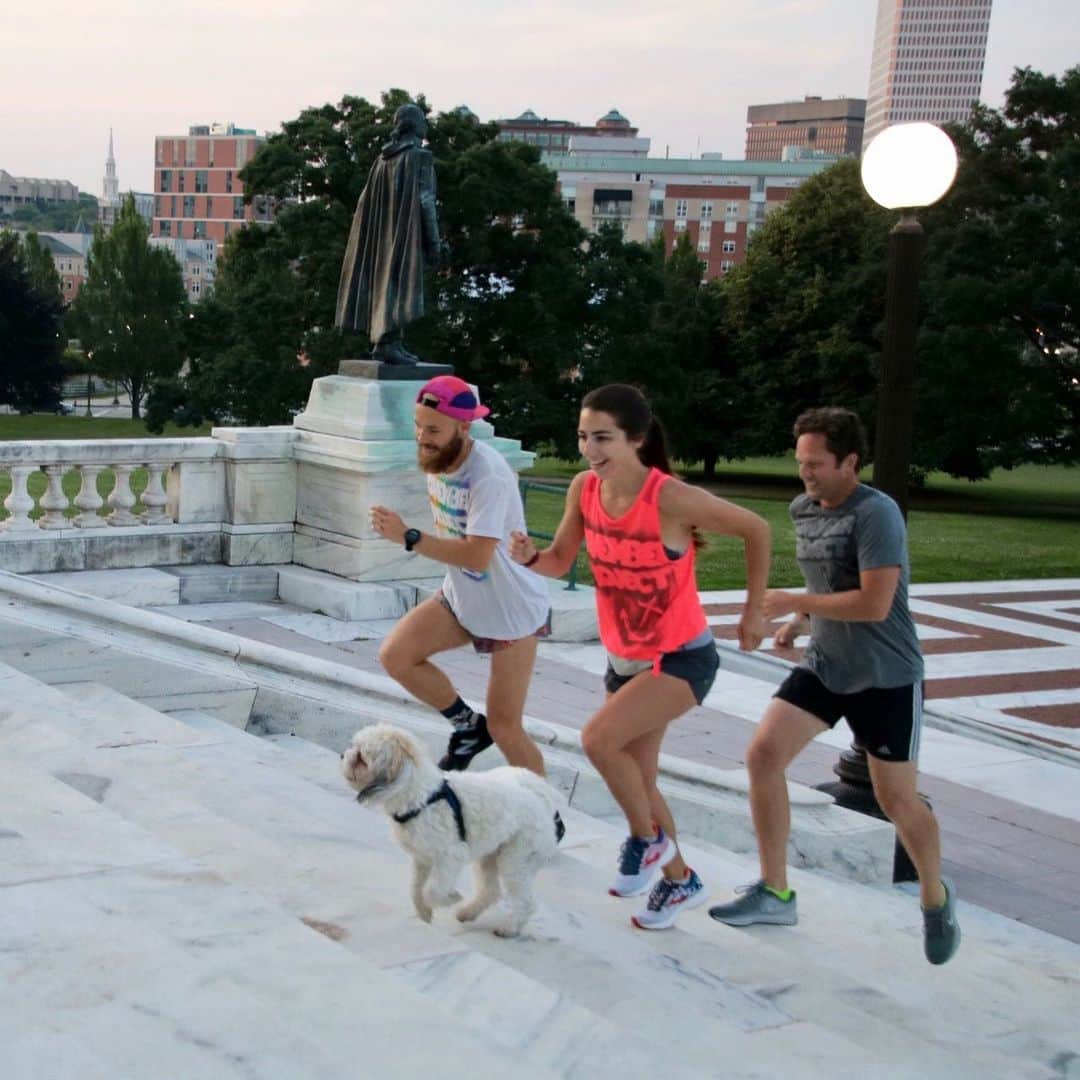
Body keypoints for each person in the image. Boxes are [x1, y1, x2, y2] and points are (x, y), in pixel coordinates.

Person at [510, 384, 771, 930]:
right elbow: (560, 560)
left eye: (603, 438)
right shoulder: (584, 490)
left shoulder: (668, 497)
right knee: (641, 782)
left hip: (681, 658)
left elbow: (757, 528)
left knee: (598, 740)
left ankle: (645, 840)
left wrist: (753, 612)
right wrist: (531, 558)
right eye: (583, 437)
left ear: (636, 439)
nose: (590, 450)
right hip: (624, 659)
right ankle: (680, 880)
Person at [707, 406, 960, 966]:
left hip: (886, 677)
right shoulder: (804, 509)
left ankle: (935, 897)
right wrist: (802, 622)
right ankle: (775, 891)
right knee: (763, 754)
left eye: (817, 464)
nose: (806, 475)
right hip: (828, 665)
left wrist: (793, 602)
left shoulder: (879, 515)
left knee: (896, 800)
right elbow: (827, 580)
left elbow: (874, 602)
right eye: (801, 463)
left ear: (850, 461)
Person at [371, 374, 555, 790]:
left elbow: (477, 553)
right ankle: (470, 728)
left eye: (433, 429)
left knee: (507, 726)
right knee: (397, 656)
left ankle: (546, 813)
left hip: (511, 611)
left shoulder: (486, 474)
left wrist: (409, 537)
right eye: (418, 426)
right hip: (463, 597)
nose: (423, 437)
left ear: (464, 428)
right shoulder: (438, 457)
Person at [335, 102, 443, 366]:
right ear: (415, 125)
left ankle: (389, 342)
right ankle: (386, 343)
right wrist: (434, 243)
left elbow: (365, 202)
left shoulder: (383, 160)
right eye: (423, 121)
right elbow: (426, 201)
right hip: (405, 234)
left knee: (388, 281)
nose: (426, 126)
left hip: (382, 236)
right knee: (399, 283)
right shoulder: (419, 157)